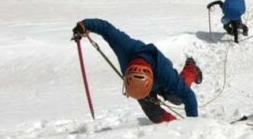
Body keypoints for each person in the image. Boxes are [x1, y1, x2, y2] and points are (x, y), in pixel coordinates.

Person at [71, 19, 201, 123]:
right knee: (155, 116)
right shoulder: (124, 46)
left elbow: (189, 96)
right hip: (137, 86)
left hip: (160, 76)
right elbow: (106, 29)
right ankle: (172, 128)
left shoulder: (164, 73)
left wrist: (192, 128)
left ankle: (190, 69)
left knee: (178, 98)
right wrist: (85, 25)